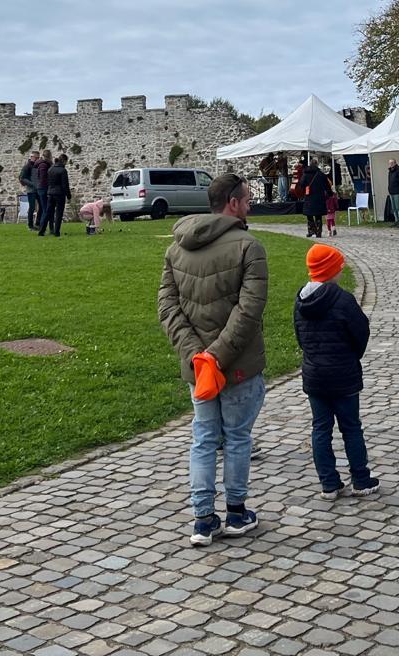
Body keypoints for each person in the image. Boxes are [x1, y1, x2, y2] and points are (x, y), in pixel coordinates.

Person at [157, 172, 268, 546]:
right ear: (233, 204)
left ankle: (203, 518)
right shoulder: (248, 246)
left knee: (204, 439)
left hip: (200, 365)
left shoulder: (176, 249)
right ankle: (236, 511)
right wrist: (216, 356)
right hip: (236, 363)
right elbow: (249, 310)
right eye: (248, 200)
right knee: (236, 438)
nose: (251, 206)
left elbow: (168, 308)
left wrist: (197, 355)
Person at [293, 243, 380, 500]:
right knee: (351, 427)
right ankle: (361, 479)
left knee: (321, 428)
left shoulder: (301, 301)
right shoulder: (343, 300)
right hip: (343, 374)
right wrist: (353, 355)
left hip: (315, 374)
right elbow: (360, 332)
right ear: (331, 270)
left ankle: (329, 483)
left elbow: (300, 335)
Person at [299, 159, 332, 240]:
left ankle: (311, 230)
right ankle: (318, 231)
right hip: (319, 197)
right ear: (317, 165)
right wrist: (330, 194)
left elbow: (301, 184)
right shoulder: (321, 175)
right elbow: (327, 186)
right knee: (318, 215)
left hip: (309, 196)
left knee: (309, 215)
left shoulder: (306, 174)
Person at [19, 150, 48, 232]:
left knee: (42, 206)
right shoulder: (27, 166)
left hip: (39, 189)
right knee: (32, 208)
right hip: (31, 190)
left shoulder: (38, 166)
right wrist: (32, 184)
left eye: (39, 158)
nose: (38, 159)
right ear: (32, 157)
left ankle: (38, 223)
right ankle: (30, 225)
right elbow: (22, 178)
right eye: (36, 158)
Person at [43, 153, 72, 237]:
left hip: (50, 193)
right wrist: (68, 195)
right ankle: (56, 232)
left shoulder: (50, 169)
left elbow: (48, 181)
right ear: (64, 161)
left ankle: (42, 230)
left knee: (48, 213)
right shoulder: (63, 170)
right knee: (59, 213)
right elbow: (65, 185)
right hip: (59, 194)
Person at [383, 159, 399, 224]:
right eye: (390, 163)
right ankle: (396, 220)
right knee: (394, 208)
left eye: (392, 163)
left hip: (397, 192)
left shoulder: (398, 170)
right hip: (391, 192)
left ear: (395, 163)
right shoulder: (390, 171)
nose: (391, 164)